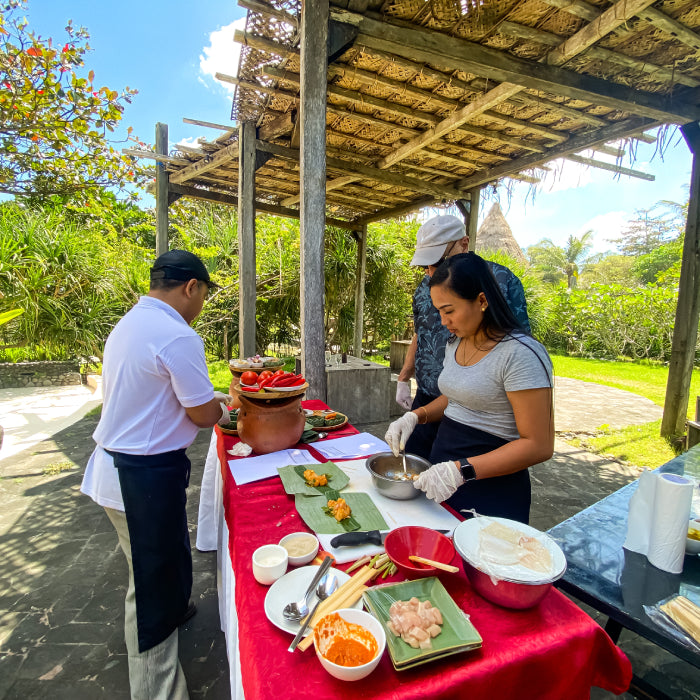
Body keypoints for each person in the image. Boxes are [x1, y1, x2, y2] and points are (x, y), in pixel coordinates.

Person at [81, 250, 233, 700]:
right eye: (203, 295)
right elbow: (202, 413)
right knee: (149, 587)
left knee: (162, 561)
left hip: (122, 466)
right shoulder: (177, 334)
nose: (202, 305)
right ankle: (157, 690)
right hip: (138, 477)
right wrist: (226, 404)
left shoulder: (131, 322)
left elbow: (157, 393)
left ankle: (176, 606)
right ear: (191, 287)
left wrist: (214, 396)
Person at [385, 252, 553, 524]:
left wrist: (461, 470)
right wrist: (416, 416)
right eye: (439, 311)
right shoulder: (456, 343)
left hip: (491, 491)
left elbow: (539, 445)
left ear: (482, 300)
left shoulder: (520, 354)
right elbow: (457, 398)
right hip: (446, 482)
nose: (443, 321)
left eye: (449, 310)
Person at [396, 215, 530, 460]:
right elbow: (420, 333)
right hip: (431, 397)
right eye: (426, 266)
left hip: (475, 404)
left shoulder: (502, 281)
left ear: (464, 244)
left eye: (438, 261)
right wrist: (404, 378)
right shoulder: (424, 288)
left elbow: (517, 345)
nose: (431, 273)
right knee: (412, 466)